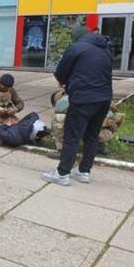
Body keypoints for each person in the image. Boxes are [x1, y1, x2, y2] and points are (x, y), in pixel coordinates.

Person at [42, 32, 113, 186]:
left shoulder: (76, 48)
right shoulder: (105, 50)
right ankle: (84, 172)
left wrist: (66, 82)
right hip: (104, 99)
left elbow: (61, 73)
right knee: (92, 136)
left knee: (72, 136)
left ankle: (62, 173)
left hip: (83, 98)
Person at [49, 89, 123, 158]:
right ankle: (99, 147)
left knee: (59, 118)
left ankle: (62, 151)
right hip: (106, 132)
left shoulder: (64, 101)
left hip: (93, 128)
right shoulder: (98, 95)